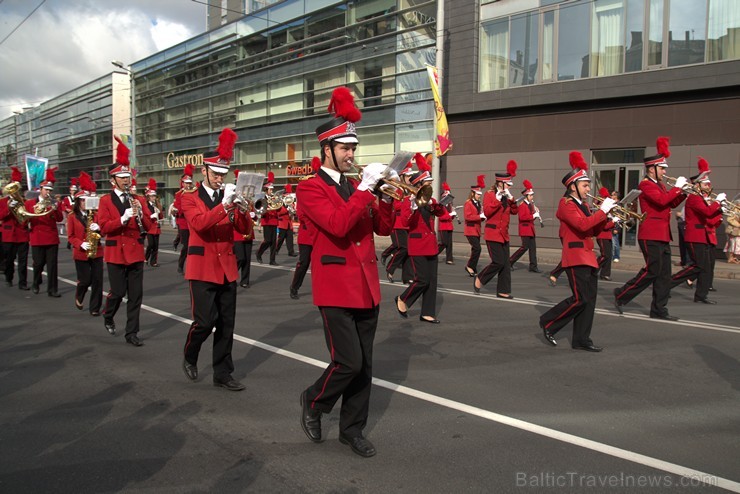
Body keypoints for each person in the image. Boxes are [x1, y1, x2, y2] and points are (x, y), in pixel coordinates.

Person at [297, 87, 394, 458]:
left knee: (364, 366)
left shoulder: (357, 187)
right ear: (327, 150)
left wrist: (383, 195)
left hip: (367, 286)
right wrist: (367, 189)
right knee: (348, 361)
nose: (351, 155)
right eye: (344, 149)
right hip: (335, 286)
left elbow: (382, 228)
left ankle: (352, 429)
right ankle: (314, 400)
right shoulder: (310, 188)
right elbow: (337, 225)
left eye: (353, 148)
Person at [181, 128, 253, 391]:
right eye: (216, 174)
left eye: (224, 174)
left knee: (226, 325)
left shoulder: (228, 197)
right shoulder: (188, 198)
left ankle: (222, 373)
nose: (221, 179)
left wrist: (243, 208)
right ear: (205, 172)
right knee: (204, 322)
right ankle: (190, 355)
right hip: (201, 269)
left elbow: (244, 230)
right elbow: (199, 224)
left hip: (227, 268)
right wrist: (224, 205)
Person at [540, 151, 615, 352]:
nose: (589, 188)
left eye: (588, 185)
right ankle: (548, 322)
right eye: (585, 185)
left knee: (589, 302)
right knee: (580, 298)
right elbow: (582, 226)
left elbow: (592, 229)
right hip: (575, 256)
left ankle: (582, 339)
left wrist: (607, 220)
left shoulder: (584, 205)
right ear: (572, 186)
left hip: (588, 256)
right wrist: (602, 212)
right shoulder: (566, 204)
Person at [613, 137, 687, 320]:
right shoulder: (645, 185)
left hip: (662, 234)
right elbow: (662, 201)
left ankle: (659, 309)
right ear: (651, 169)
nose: (664, 172)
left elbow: (669, 203)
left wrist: (683, 192)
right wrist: (676, 189)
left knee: (664, 275)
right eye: (662, 168)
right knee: (652, 270)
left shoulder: (660, 185)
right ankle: (622, 294)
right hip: (650, 233)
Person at [98, 136, 154, 346]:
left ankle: (132, 333)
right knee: (118, 292)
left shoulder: (138, 199)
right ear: (113, 180)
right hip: (115, 253)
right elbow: (103, 227)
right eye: (121, 177)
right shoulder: (105, 200)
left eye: (127, 176)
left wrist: (143, 214)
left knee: (136, 296)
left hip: (135, 252)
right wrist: (121, 219)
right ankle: (108, 314)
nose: (126, 179)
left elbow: (148, 227)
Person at [395, 161, 445, 323]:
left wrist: (434, 203)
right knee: (422, 279)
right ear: (419, 185)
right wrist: (413, 207)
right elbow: (404, 222)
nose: (430, 187)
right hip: (417, 245)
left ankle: (427, 313)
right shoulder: (407, 201)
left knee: (432, 281)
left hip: (430, 244)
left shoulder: (429, 200)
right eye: (427, 184)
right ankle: (403, 299)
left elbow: (441, 213)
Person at [669, 158, 723, 303]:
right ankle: (668, 283)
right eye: (705, 183)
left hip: (703, 236)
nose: (708, 186)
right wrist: (718, 203)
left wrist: (720, 212)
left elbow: (710, 219)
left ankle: (701, 295)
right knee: (697, 266)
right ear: (697, 184)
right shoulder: (694, 198)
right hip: (694, 236)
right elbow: (707, 213)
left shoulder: (701, 198)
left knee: (705, 268)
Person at [473, 160, 519, 299]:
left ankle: (503, 290)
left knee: (505, 265)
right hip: (492, 233)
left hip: (504, 234)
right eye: (507, 184)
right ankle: (480, 278)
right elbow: (487, 212)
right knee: (498, 261)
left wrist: (512, 200)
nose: (509, 187)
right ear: (500, 183)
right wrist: (498, 200)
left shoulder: (507, 196)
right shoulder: (490, 194)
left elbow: (514, 212)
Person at [67, 171, 103, 316]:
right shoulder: (72, 217)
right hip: (81, 252)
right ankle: (79, 294)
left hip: (97, 250)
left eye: (86, 200)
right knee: (85, 280)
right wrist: (80, 244)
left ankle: (95, 308)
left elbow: (104, 231)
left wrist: (99, 228)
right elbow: (70, 236)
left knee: (97, 280)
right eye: (82, 200)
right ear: (78, 202)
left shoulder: (95, 214)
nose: (84, 202)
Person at [25, 167, 64, 297]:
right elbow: (25, 218)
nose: (48, 192)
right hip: (37, 236)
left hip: (51, 237)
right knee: (38, 264)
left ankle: (52, 289)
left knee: (52, 266)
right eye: (46, 189)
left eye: (50, 190)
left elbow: (60, 219)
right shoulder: (30, 203)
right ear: (40, 190)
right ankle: (36, 283)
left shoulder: (54, 203)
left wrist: (55, 209)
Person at [290, 158, 320, 299]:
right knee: (304, 262)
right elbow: (301, 213)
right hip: (307, 235)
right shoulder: (304, 192)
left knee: (320, 264)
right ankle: (294, 287)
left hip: (320, 235)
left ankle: (320, 289)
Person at [385, 160, 418, 284]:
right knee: (403, 248)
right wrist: (407, 200)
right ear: (403, 177)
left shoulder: (410, 190)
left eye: (411, 176)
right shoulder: (398, 189)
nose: (410, 179)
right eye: (408, 176)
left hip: (407, 223)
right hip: (398, 223)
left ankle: (407, 276)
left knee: (409, 250)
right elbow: (395, 205)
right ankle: (390, 267)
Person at [2, 167, 31, 290]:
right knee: (9, 259)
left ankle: (22, 282)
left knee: (23, 261)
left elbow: (28, 217)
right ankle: (9, 277)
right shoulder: (3, 201)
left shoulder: (24, 201)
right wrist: (9, 208)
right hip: (9, 234)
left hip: (22, 234)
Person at [509, 179, 541, 273]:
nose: (532, 197)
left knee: (533, 248)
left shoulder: (530, 205)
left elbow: (530, 218)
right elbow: (523, 217)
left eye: (532, 195)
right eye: (530, 195)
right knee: (524, 247)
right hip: (525, 229)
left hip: (531, 229)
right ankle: (510, 261)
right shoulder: (522, 205)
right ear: (526, 196)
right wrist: (533, 215)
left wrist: (536, 214)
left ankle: (533, 266)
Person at [231, 169, 256, 289]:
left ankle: (245, 280)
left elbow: (255, 215)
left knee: (247, 259)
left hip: (249, 232)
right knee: (240, 257)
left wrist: (254, 215)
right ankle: (231, 276)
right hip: (237, 233)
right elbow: (234, 216)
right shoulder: (234, 201)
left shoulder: (249, 202)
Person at [174, 164, 195, 274]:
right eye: (186, 183)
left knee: (195, 246)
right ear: (182, 183)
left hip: (193, 222)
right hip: (183, 223)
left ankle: (193, 267)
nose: (188, 185)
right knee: (186, 246)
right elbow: (179, 209)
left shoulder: (195, 193)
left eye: (189, 183)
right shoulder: (179, 194)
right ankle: (181, 264)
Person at [463, 175, 485, 277]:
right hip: (470, 230)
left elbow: (478, 216)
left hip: (477, 230)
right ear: (473, 193)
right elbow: (468, 217)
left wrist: (483, 216)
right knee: (477, 249)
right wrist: (479, 216)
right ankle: (470, 266)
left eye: (480, 194)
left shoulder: (478, 204)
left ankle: (473, 267)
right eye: (477, 194)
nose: (479, 196)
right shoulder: (468, 203)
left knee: (475, 249)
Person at [256, 172, 279, 265]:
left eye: (272, 189)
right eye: (270, 189)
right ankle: (259, 253)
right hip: (266, 221)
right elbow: (260, 209)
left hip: (274, 221)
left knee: (274, 242)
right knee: (268, 240)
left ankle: (272, 260)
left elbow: (278, 208)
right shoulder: (262, 198)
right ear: (266, 189)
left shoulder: (274, 197)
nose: (272, 191)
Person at [595, 187, 617, 281]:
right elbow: (604, 226)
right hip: (602, 235)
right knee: (605, 255)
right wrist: (613, 222)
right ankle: (593, 270)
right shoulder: (601, 209)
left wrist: (614, 221)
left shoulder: (608, 210)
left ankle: (605, 274)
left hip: (607, 235)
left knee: (609, 256)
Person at [144, 179, 163, 267]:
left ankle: (153, 262)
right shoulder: (146, 205)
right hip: (150, 227)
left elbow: (161, 216)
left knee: (156, 246)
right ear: (148, 197)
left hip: (157, 227)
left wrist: (159, 213)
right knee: (151, 244)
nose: (153, 198)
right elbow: (144, 215)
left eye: (154, 196)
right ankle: (146, 257)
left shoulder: (157, 205)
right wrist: (151, 216)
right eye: (151, 196)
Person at [275, 183, 297, 257]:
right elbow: (278, 212)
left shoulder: (291, 202)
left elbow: (294, 209)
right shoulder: (280, 202)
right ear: (284, 195)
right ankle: (275, 250)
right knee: (280, 239)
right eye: (287, 194)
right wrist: (286, 209)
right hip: (282, 223)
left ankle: (291, 252)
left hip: (289, 223)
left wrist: (292, 209)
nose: (288, 196)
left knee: (290, 238)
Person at [437, 182, 456, 264]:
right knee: (444, 242)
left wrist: (453, 214)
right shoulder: (441, 205)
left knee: (449, 244)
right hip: (443, 226)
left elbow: (450, 216)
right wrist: (449, 215)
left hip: (449, 226)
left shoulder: (450, 205)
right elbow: (441, 217)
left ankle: (449, 259)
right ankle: (434, 253)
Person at [611, 190, 621, 263]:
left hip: (615, 226)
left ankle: (616, 256)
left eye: (613, 195)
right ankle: (612, 256)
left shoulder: (618, 205)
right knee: (611, 243)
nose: (611, 196)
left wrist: (616, 228)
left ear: (616, 196)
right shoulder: (611, 203)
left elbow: (619, 217)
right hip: (610, 225)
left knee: (615, 243)